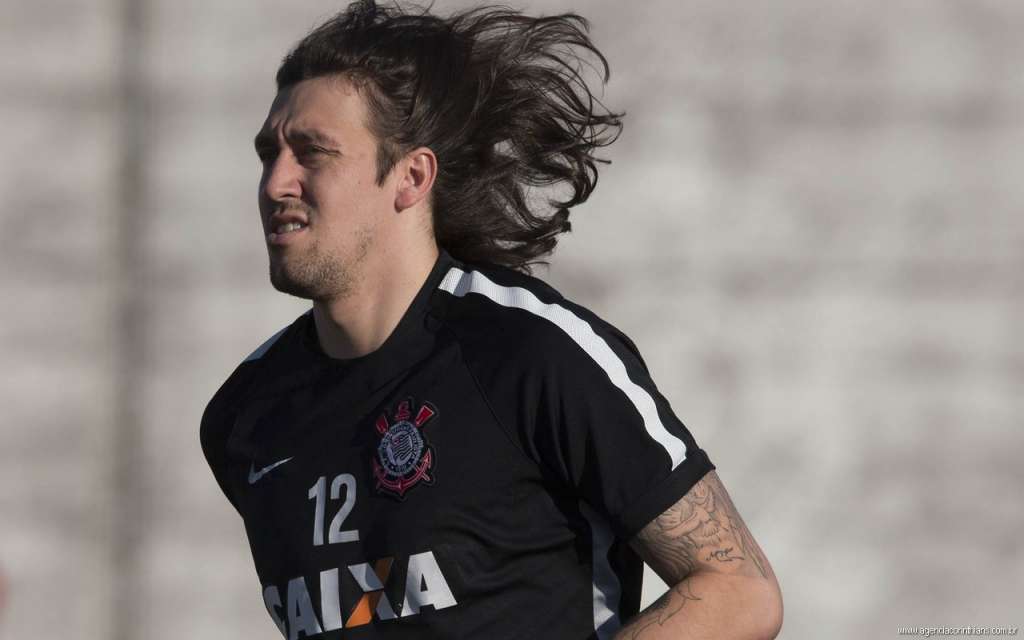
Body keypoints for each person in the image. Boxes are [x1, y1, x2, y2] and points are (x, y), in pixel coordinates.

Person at [200, 1, 783, 638]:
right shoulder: (244, 417)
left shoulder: (532, 353)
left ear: (410, 176)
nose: (276, 181)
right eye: (268, 154)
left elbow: (738, 591)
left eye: (312, 153)